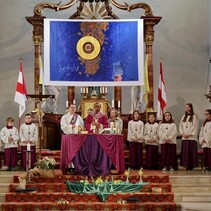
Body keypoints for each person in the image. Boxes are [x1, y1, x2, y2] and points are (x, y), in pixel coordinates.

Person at [179, 103, 199, 171]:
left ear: (191, 108)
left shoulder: (194, 116)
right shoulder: (183, 116)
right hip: (185, 137)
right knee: (186, 152)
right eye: (186, 107)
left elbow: (195, 127)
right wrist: (182, 133)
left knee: (191, 152)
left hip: (191, 138)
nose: (187, 108)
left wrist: (189, 134)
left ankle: (191, 166)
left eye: (188, 107)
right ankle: (186, 165)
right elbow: (180, 126)